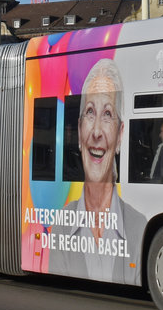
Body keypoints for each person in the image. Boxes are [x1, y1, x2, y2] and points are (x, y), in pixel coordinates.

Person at [48, 59, 146, 284]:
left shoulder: (139, 227)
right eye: (90, 112)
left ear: (120, 135)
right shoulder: (60, 227)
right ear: (80, 130)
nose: (97, 132)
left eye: (108, 114)